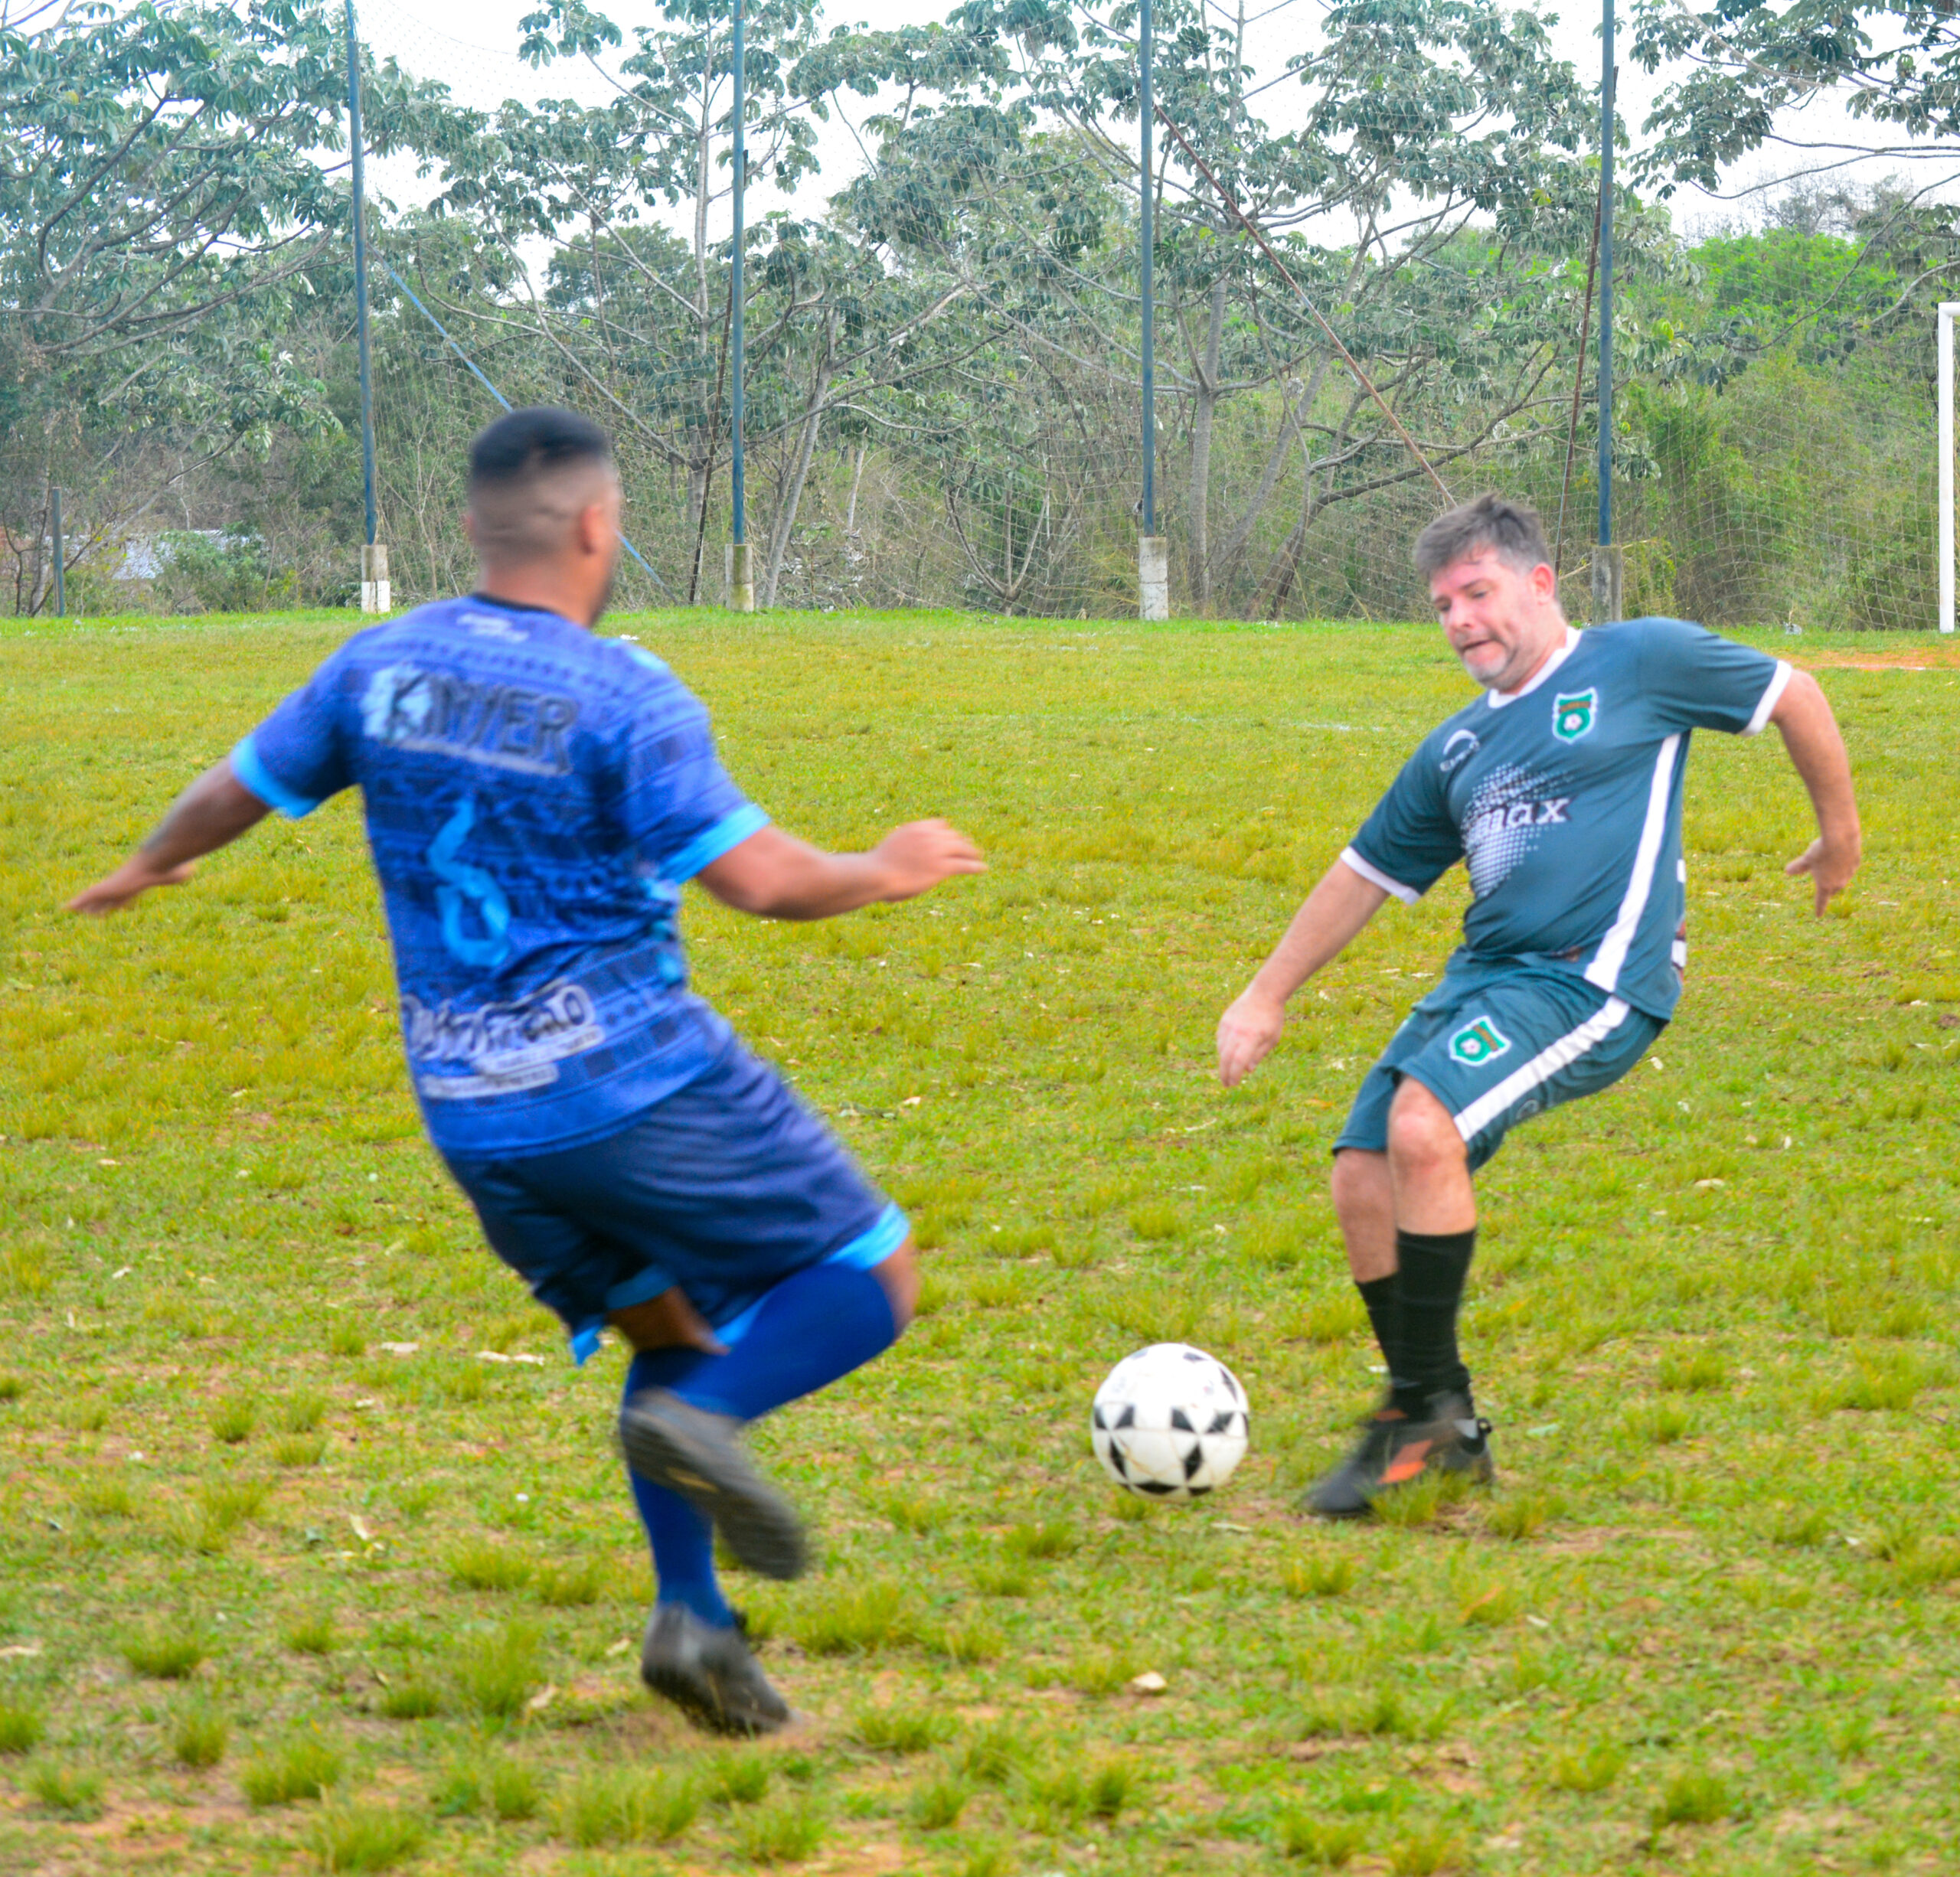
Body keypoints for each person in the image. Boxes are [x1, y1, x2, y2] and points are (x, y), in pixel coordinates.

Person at [69, 406, 983, 1733]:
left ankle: (693, 1624)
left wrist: (153, 859)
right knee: (871, 1274)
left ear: (475, 527)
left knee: (669, 1329)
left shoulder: (380, 664)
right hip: (636, 1084)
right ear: (599, 526)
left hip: (476, 1120)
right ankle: (714, 1423)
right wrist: (885, 868)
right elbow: (762, 882)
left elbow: (240, 783)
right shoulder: (624, 692)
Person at [1214, 495, 1860, 1518]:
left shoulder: (1638, 662)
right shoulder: (1456, 749)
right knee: (1362, 1173)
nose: (1460, 619)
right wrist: (1265, 994)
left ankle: (1423, 1421)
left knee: (1422, 1128)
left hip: (1593, 981)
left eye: (1477, 592)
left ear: (1540, 583)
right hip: (1487, 978)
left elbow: (1795, 693)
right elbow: (1362, 874)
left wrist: (1840, 835)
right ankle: (1432, 1414)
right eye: (1443, 605)